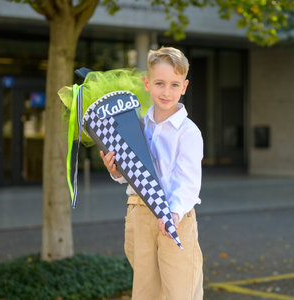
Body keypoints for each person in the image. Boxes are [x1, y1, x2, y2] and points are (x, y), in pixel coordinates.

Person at [100, 46, 203, 300]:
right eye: (159, 83)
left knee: (181, 292)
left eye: (174, 85)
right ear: (147, 83)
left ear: (184, 86)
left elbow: (188, 183)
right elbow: (131, 175)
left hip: (175, 219)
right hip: (138, 213)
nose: (166, 92)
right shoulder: (136, 126)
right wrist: (116, 171)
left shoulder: (188, 132)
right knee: (146, 292)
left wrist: (173, 213)